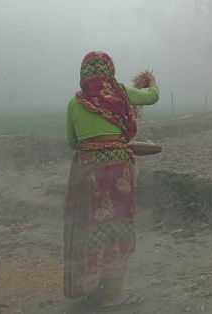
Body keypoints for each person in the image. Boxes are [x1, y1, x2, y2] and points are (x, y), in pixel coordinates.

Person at [64, 51, 159, 311]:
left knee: (87, 227)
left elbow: (73, 143)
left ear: (84, 73)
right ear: (109, 70)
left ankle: (90, 289)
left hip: (86, 169)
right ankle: (113, 295)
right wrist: (150, 80)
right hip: (117, 167)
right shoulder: (121, 93)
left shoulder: (75, 102)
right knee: (116, 228)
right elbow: (153, 97)